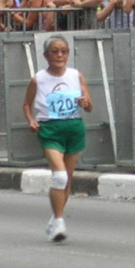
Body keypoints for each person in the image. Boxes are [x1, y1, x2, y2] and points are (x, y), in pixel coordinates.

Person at [23, 35, 93, 242]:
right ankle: (60, 221)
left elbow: (89, 106)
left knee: (68, 179)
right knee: (59, 177)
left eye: (64, 51)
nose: (60, 55)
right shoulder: (38, 79)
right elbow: (26, 104)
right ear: (46, 55)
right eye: (55, 51)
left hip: (74, 127)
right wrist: (31, 120)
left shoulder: (76, 76)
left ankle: (55, 218)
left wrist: (86, 102)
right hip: (50, 129)